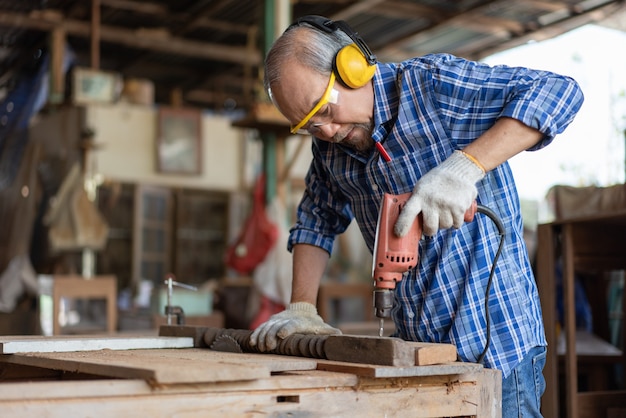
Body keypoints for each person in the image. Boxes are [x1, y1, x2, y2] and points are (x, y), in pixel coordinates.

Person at [249, 15, 584, 416]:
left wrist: (465, 167)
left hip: (497, 345)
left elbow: (559, 92)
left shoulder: (431, 86)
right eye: (308, 125)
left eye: (324, 110)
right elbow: (316, 218)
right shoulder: (330, 147)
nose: (325, 131)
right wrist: (302, 308)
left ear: (352, 67)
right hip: (417, 349)